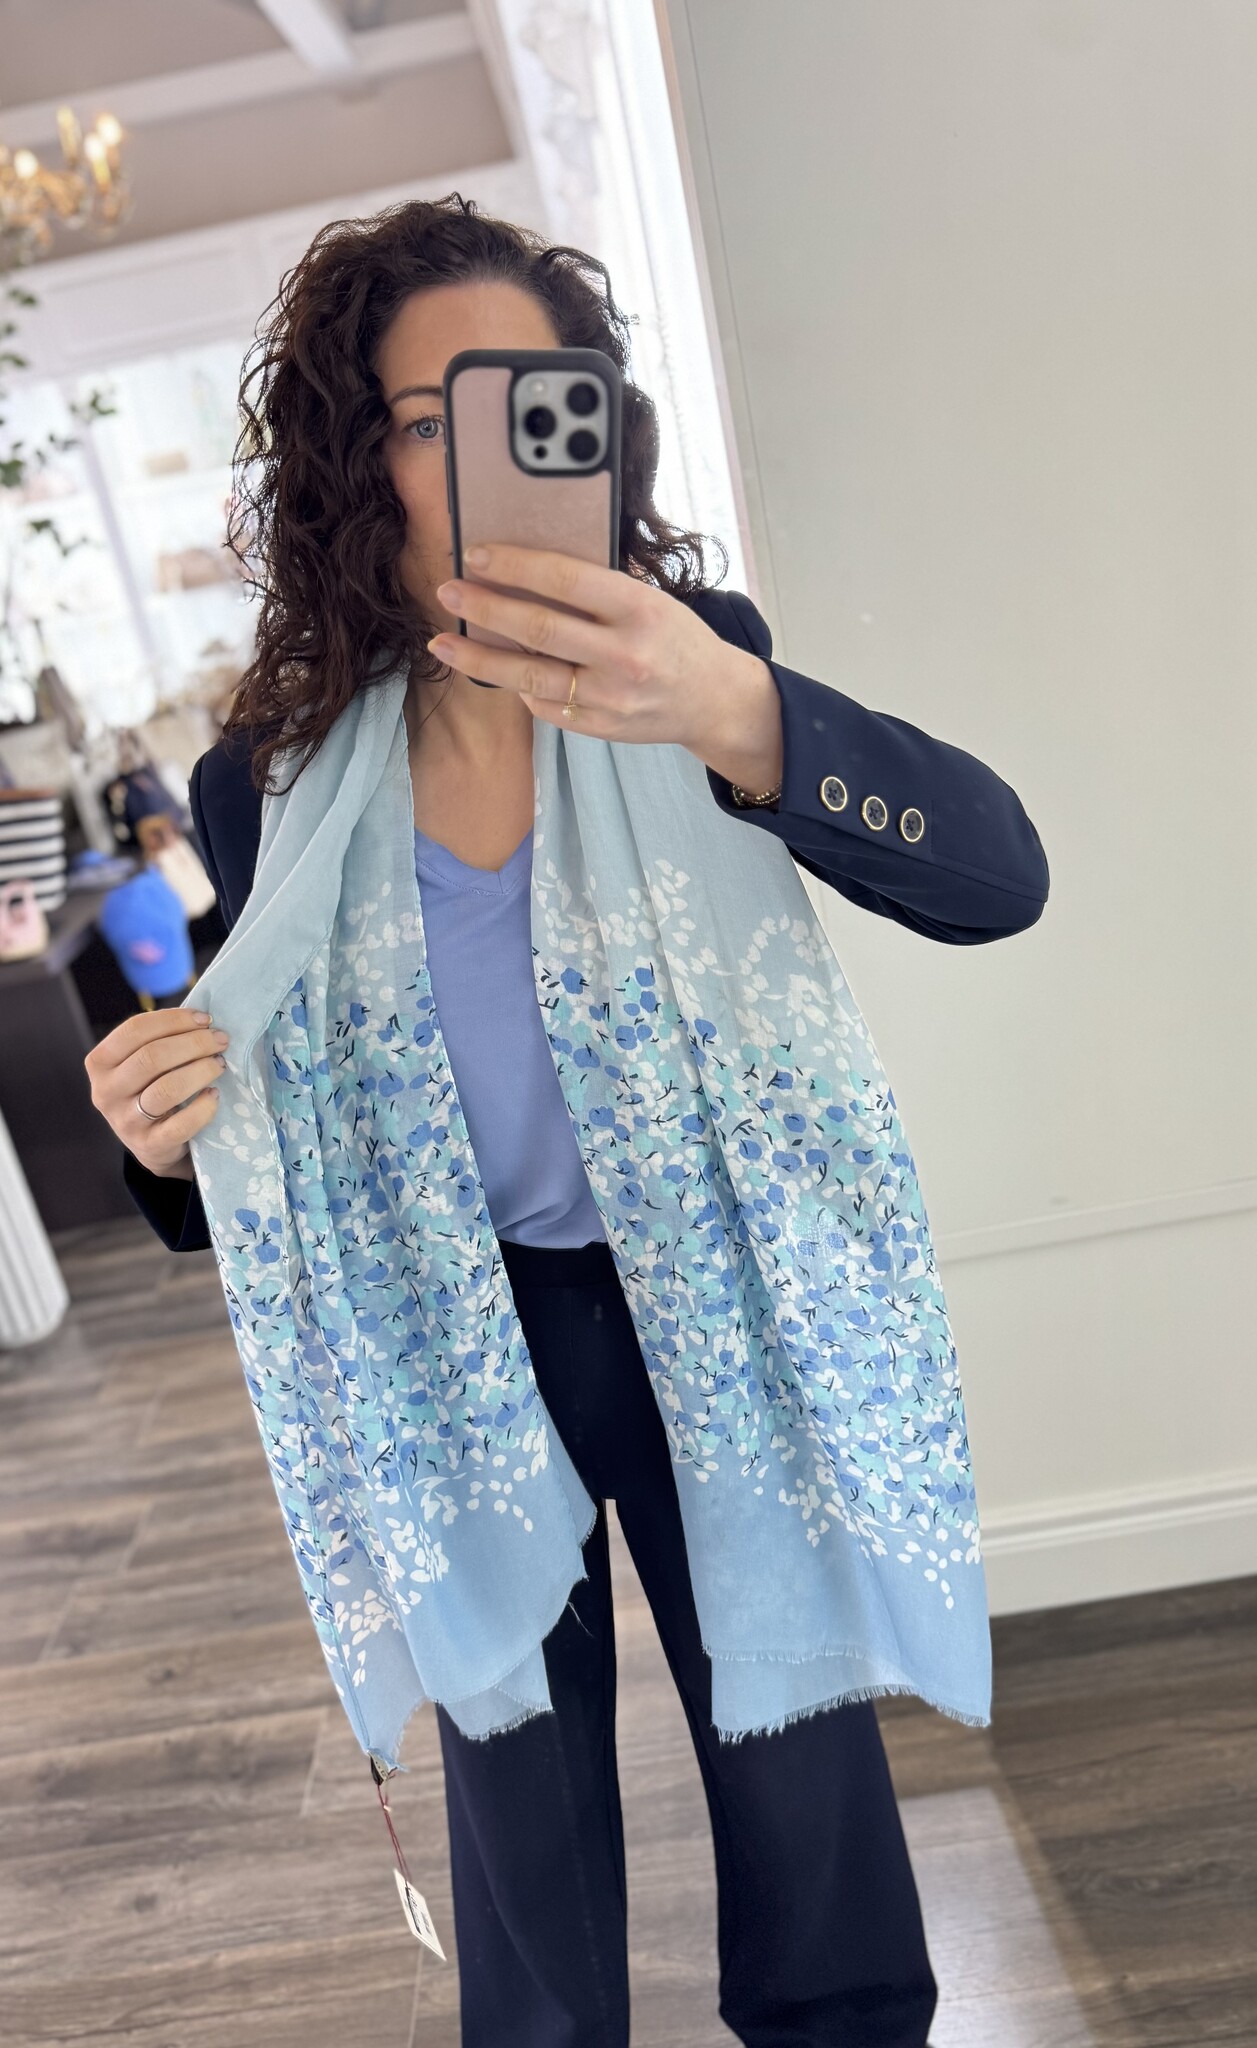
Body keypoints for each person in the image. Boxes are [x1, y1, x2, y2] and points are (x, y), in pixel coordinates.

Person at [85, 195, 1048, 2048]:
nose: (483, 455)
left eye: (528, 401)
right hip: (457, 1337)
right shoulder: (269, 779)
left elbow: (996, 879)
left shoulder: (698, 668)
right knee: (516, 1805)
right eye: (425, 416)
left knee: (801, 1764)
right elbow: (257, 1124)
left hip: (718, 1303)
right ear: (355, 459)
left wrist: (729, 704)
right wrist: (159, 1137)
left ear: (595, 424)